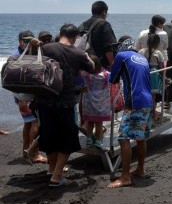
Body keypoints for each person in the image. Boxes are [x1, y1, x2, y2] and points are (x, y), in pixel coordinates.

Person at [35, 24, 95, 187]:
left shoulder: (47, 48)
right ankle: (56, 177)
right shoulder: (77, 52)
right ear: (75, 38)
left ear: (60, 34)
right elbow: (92, 68)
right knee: (67, 140)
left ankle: (52, 169)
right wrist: (87, 56)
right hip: (65, 102)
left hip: (44, 100)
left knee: (49, 136)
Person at [108, 37, 153, 188]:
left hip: (134, 101)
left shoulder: (122, 56)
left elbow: (113, 79)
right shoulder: (142, 58)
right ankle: (140, 169)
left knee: (123, 137)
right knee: (140, 138)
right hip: (147, 100)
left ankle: (125, 176)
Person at [11, 30, 47, 164]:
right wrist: (20, 100)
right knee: (35, 123)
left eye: (29, 40)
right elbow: (12, 79)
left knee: (28, 124)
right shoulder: (17, 56)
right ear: (19, 41)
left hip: (23, 96)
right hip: (24, 97)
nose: (27, 43)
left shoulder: (24, 53)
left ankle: (25, 150)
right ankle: (34, 153)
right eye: (25, 41)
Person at [80, 55, 111, 149]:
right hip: (101, 104)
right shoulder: (106, 75)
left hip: (89, 104)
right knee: (99, 123)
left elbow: (79, 71)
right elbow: (114, 78)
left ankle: (89, 139)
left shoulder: (86, 75)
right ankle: (98, 140)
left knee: (89, 122)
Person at [78, 0, 117, 69]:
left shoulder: (82, 25)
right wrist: (113, 66)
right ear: (104, 12)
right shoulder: (104, 24)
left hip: (84, 65)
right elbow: (108, 47)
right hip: (99, 66)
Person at [139, 33, 165, 119]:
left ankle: (147, 112)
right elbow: (161, 68)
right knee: (153, 95)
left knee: (146, 94)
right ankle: (153, 113)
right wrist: (164, 78)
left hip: (143, 74)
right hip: (154, 75)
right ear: (157, 43)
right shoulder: (158, 53)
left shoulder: (141, 51)